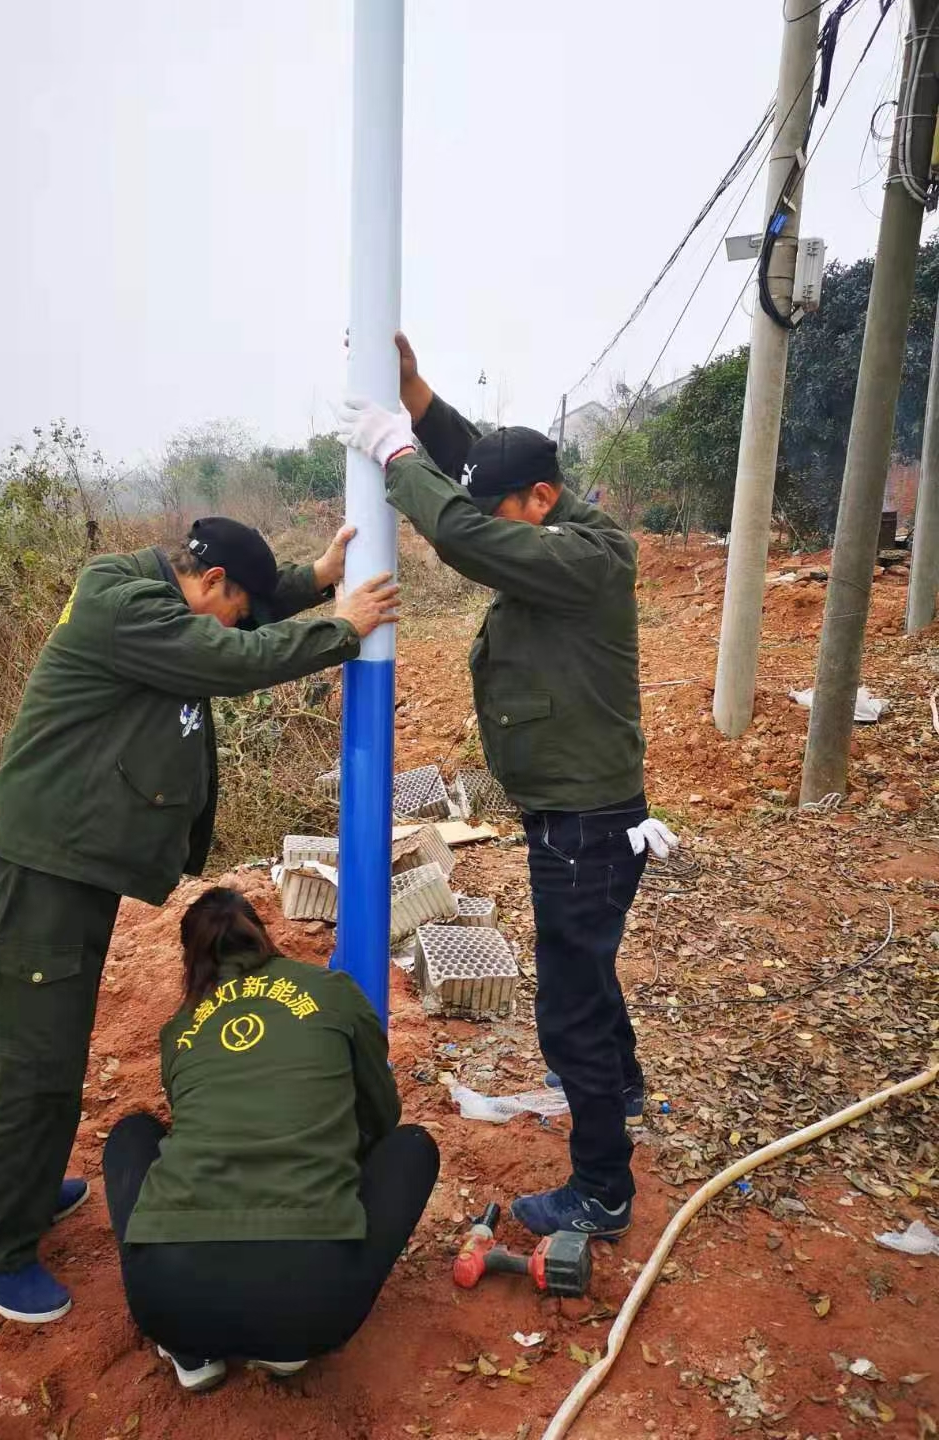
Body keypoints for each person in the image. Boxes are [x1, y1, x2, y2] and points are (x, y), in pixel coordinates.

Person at [0, 517, 400, 1323]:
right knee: (34, 1060)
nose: (239, 617)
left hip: (71, 866)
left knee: (56, 1040)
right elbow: (226, 655)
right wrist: (343, 630)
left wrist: (317, 575)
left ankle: (25, 1186)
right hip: (45, 875)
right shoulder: (128, 609)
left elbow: (235, 622)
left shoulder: (161, 595)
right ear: (213, 581)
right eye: (238, 603)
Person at [337, 338, 676, 1241]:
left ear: (544, 501)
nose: (499, 514)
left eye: (510, 508)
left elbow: (466, 531)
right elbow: (487, 469)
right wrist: (415, 397)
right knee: (585, 966)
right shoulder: (555, 520)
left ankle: (602, 1190)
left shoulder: (579, 559)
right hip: (582, 811)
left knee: (567, 1000)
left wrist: (397, 457)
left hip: (585, 820)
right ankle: (625, 1087)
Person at [102, 886, 440, 1392]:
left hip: (167, 1304)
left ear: (190, 958)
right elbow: (383, 1114)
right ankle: (283, 1353)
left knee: (133, 1134)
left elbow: (195, 1118)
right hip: (309, 1308)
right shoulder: (332, 990)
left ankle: (192, 1356)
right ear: (260, 934)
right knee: (412, 1146)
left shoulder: (179, 1029)